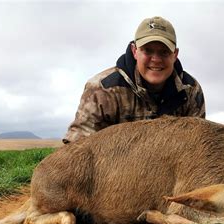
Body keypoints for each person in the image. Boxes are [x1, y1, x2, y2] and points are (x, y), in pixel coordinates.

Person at [63, 16, 205, 144]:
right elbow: (76, 150)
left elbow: (198, 146)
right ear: (134, 51)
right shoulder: (102, 89)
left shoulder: (190, 90)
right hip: (113, 170)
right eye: (147, 50)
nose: (156, 59)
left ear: (175, 54)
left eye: (164, 52)